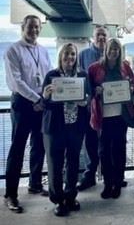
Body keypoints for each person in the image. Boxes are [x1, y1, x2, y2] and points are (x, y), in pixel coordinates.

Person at [3, 15, 52, 213]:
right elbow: (16, 82)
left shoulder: (42, 50)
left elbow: (48, 75)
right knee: (17, 149)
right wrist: (37, 99)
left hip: (40, 101)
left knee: (38, 146)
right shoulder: (13, 50)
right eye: (30, 26)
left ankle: (35, 184)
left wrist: (47, 98)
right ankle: (10, 194)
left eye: (37, 27)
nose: (34, 30)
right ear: (23, 27)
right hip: (23, 103)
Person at [41, 43, 88, 216]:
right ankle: (58, 200)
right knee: (55, 163)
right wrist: (45, 95)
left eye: (73, 54)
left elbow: (88, 98)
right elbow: (44, 104)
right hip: (54, 127)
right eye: (67, 54)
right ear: (60, 56)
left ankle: (70, 195)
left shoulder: (82, 75)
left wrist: (85, 101)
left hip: (75, 126)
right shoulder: (51, 76)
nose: (70, 57)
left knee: (73, 161)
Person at [88, 38, 134, 199]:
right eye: (111, 48)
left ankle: (118, 182)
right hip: (103, 116)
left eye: (117, 49)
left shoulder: (125, 66)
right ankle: (108, 183)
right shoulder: (94, 68)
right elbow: (89, 91)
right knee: (103, 152)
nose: (114, 51)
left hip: (121, 115)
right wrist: (97, 91)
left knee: (119, 150)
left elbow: (133, 85)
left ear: (120, 51)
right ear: (105, 49)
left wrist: (130, 87)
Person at [77, 24, 109, 191]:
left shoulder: (113, 54)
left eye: (104, 35)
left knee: (108, 142)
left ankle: (110, 176)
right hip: (90, 108)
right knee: (90, 143)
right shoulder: (83, 55)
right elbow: (77, 79)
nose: (101, 38)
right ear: (93, 36)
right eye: (98, 35)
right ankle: (89, 176)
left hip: (110, 108)